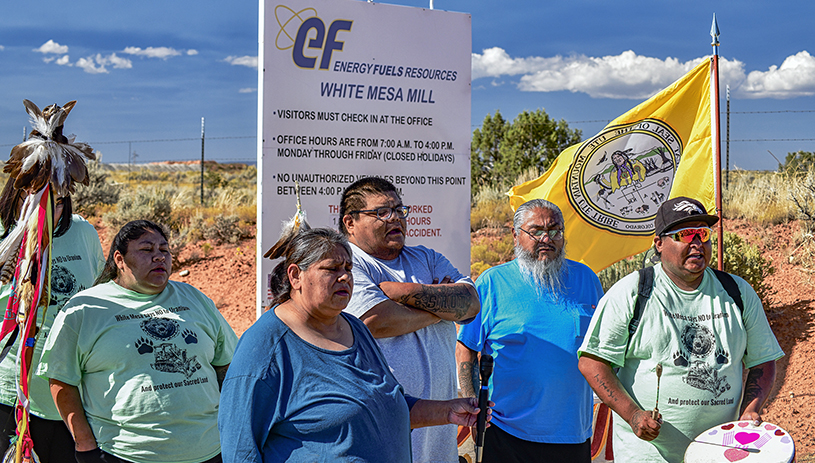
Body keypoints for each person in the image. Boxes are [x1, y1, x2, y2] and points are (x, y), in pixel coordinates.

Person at [218, 227, 488, 462]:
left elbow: (384, 404)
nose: (345, 277)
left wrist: (448, 411)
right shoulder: (265, 346)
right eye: (332, 269)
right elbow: (240, 447)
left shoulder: (353, 327)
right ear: (295, 276)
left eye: (348, 268)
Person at [578, 196, 784, 463]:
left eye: (703, 233)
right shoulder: (632, 292)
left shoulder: (737, 292)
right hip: (647, 455)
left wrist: (749, 411)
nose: (697, 242)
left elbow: (762, 360)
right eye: (685, 234)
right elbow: (592, 363)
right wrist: (633, 415)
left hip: (720, 453)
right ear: (659, 243)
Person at [38, 220, 238, 463]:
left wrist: (233, 428)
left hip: (208, 451)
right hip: (125, 454)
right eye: (147, 250)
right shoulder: (85, 309)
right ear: (119, 260)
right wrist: (85, 445)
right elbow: (61, 379)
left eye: (164, 250)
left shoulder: (195, 299)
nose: (159, 257)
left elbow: (228, 368)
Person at [339, 177, 480, 463]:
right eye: (381, 212)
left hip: (438, 444)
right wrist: (440, 306)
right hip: (381, 443)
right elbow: (376, 320)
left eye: (399, 209)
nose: (396, 218)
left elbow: (470, 304)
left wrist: (401, 292)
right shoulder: (348, 264)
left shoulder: (427, 257)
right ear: (350, 223)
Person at [456, 199, 603, 463]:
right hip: (505, 433)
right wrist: (474, 411)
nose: (547, 238)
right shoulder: (492, 282)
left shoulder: (587, 279)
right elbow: (466, 350)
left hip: (573, 435)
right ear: (516, 235)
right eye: (536, 231)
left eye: (555, 230)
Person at [0, 178, 105, 462]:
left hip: (73, 395)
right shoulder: (2, 235)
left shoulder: (83, 232)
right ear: (16, 196)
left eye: (58, 203)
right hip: (11, 395)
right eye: (35, 200)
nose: (48, 212)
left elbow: (100, 297)